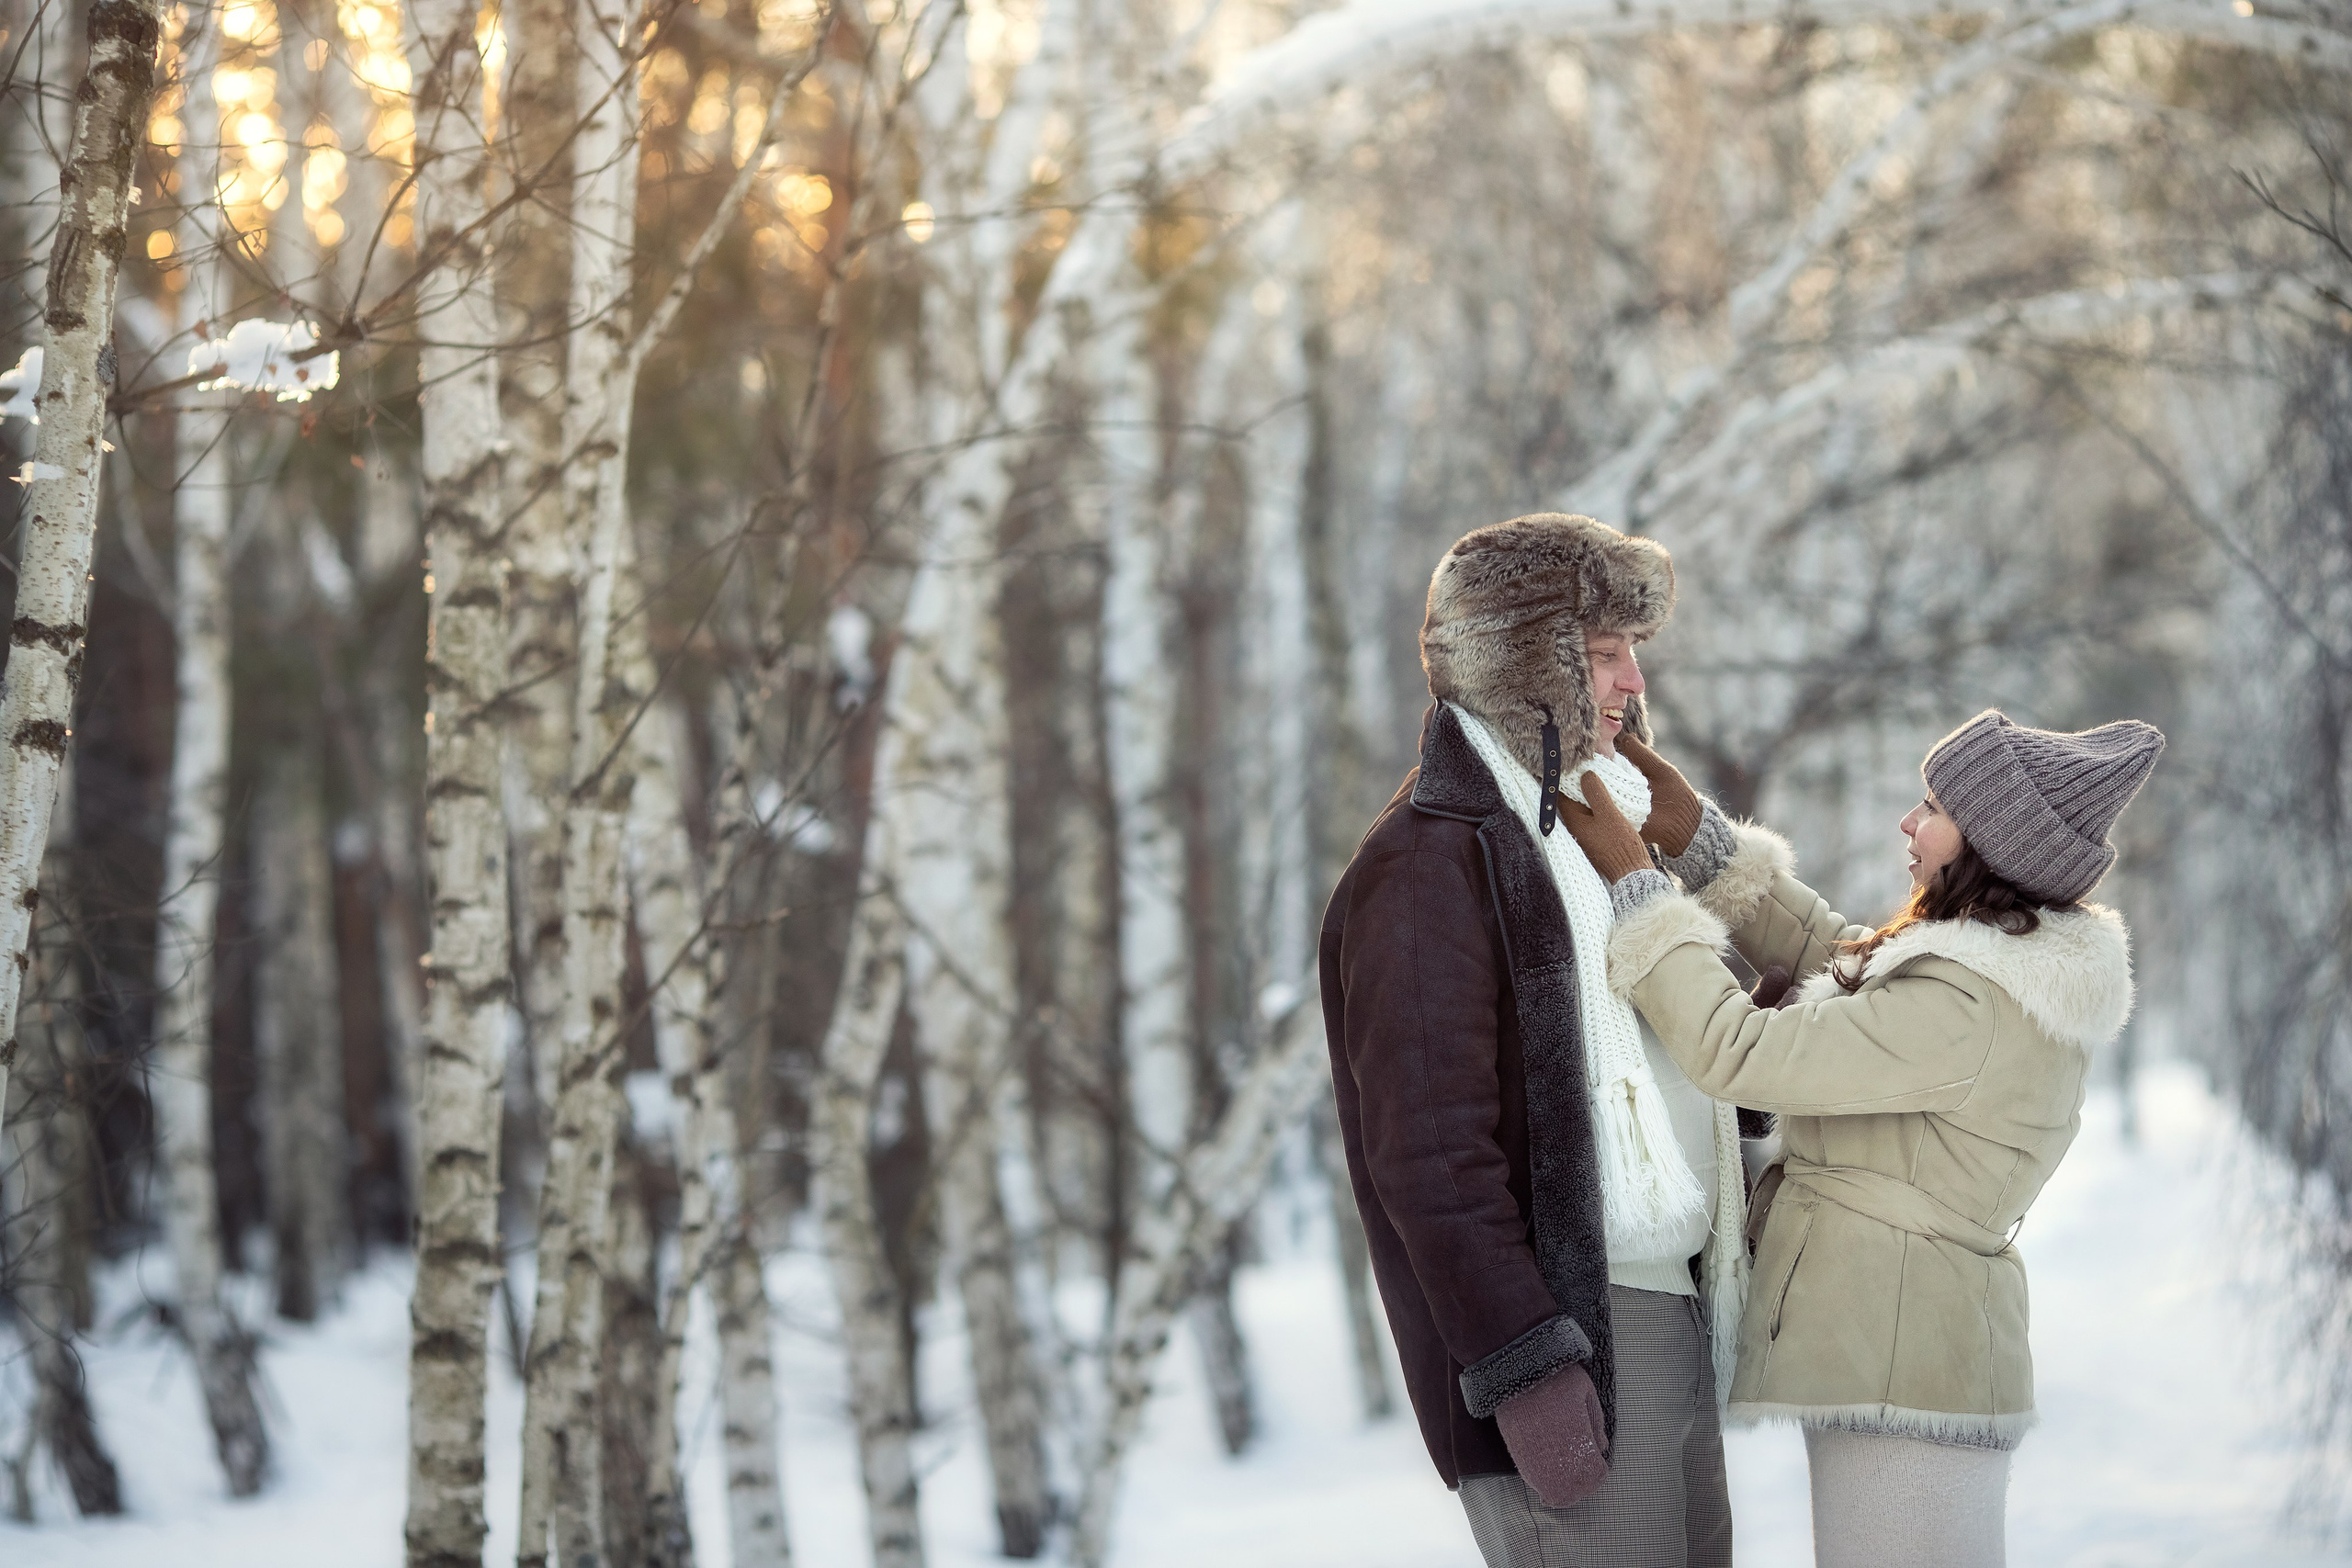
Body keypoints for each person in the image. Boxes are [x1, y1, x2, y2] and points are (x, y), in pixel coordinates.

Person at [1558, 708, 2164, 1568]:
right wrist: (1704, 846)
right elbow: (1843, 961)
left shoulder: (1967, 1005)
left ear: (1990, 844)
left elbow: (1739, 1049)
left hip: (1904, 1365)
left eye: (1934, 807)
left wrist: (1644, 898)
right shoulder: (1994, 971)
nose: (1909, 824)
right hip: (1912, 1354)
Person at [1318, 513, 1753, 1568]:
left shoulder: (1587, 825)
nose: (1630, 682)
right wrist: (1531, 1373)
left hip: (1666, 1306)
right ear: (1524, 663)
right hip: (1576, 1336)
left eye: (1630, 652)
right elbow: (1428, 1158)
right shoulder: (1425, 865)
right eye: (1603, 654)